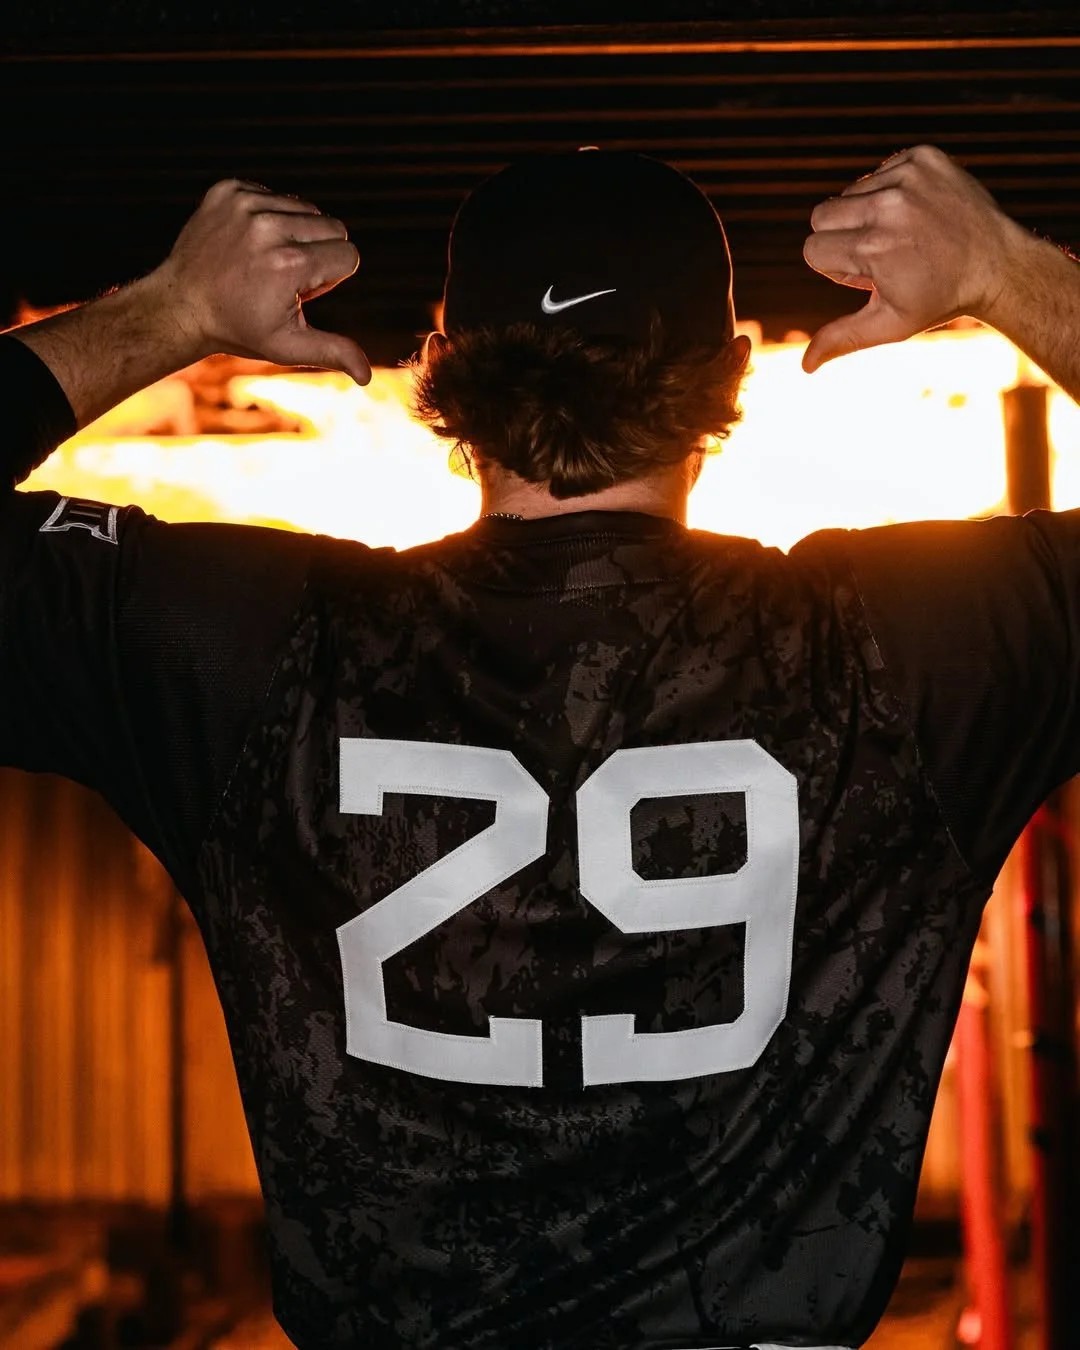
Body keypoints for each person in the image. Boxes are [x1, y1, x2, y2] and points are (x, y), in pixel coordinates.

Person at [1, 145, 1078, 1350]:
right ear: (731, 372)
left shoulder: (257, 647)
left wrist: (169, 313)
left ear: (440, 366)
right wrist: (1004, 272)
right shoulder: (893, 650)